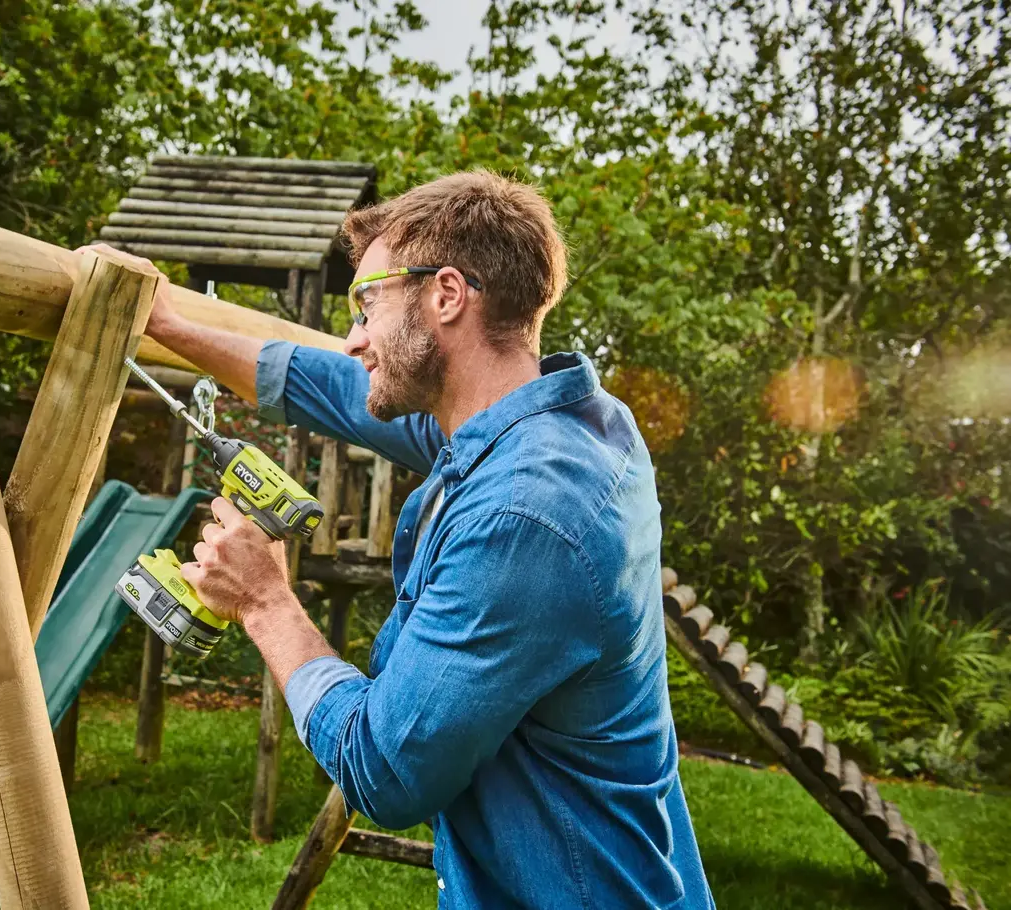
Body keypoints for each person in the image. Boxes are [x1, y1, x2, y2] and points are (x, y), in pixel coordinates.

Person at [84, 171, 714, 909]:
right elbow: (346, 391)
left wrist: (264, 603)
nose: (351, 338)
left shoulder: (523, 513)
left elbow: (385, 771)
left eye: (366, 305)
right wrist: (169, 325)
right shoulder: (569, 427)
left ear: (447, 295)